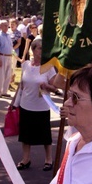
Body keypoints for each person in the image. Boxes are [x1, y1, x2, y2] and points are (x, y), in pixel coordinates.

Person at [14, 38, 58, 171]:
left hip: (41, 106)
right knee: (25, 135)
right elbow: (21, 85)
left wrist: (46, 86)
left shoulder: (48, 67)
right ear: (33, 50)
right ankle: (26, 159)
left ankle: (48, 159)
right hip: (26, 104)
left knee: (45, 135)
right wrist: (14, 102)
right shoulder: (26, 64)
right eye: (39, 48)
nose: (42, 51)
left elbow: (56, 88)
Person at [0, 20, 14, 97]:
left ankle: (4, 91)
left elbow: (11, 47)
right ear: (0, 26)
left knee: (8, 75)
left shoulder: (8, 36)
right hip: (2, 56)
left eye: (7, 25)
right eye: (4, 25)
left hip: (9, 56)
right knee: (0, 75)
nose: (6, 27)